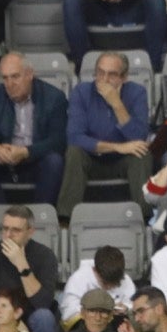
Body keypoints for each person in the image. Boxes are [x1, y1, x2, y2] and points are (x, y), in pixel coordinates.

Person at [57, 50, 153, 221]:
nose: (104, 80)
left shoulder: (137, 92)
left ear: (124, 77)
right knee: (74, 152)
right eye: (100, 73)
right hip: (91, 158)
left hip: (123, 162)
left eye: (112, 75)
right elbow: (74, 137)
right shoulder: (82, 91)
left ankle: (145, 219)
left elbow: (139, 136)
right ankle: (66, 219)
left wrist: (117, 104)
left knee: (141, 153)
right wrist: (118, 147)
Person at [0, 52, 69, 210]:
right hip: (5, 162)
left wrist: (25, 152)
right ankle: (1, 217)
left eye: (15, 77)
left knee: (54, 161)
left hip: (36, 159)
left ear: (30, 74)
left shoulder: (54, 98)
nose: (10, 84)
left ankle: (38, 218)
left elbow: (58, 141)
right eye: (5, 78)